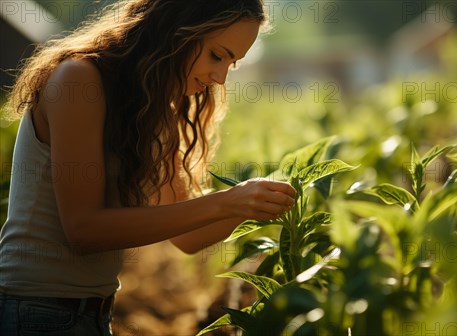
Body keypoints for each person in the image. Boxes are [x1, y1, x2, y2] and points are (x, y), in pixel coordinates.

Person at [0, 0, 295, 334]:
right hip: (35, 312)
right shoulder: (79, 79)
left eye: (232, 63)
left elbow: (188, 235)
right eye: (217, 55)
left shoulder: (151, 106)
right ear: (175, 31)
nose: (220, 78)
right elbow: (83, 230)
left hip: (92, 313)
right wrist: (227, 202)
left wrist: (252, 201)